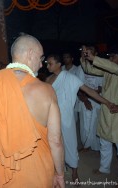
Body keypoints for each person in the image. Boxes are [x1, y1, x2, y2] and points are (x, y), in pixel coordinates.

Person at [0, 34, 65, 187]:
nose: (41, 65)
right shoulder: (46, 91)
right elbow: (55, 141)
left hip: (6, 174)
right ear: (30, 54)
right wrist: (59, 173)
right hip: (39, 172)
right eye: (40, 59)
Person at [45, 54, 112, 182]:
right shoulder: (48, 80)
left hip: (67, 119)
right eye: (47, 63)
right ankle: (60, 168)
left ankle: (75, 172)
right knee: (55, 144)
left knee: (71, 144)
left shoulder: (70, 78)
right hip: (52, 118)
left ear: (59, 64)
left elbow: (89, 91)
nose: (47, 66)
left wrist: (106, 102)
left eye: (50, 63)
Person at [81, 45, 118, 184]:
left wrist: (94, 57)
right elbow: (90, 69)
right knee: (104, 143)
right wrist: (84, 57)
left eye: (114, 56)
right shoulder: (109, 70)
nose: (111, 59)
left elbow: (116, 69)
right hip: (107, 111)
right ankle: (104, 168)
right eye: (110, 56)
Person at [77, 46, 103, 152]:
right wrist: (85, 99)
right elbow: (78, 86)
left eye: (91, 52)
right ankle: (86, 145)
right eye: (86, 52)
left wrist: (91, 97)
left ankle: (93, 146)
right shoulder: (80, 68)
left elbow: (101, 87)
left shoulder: (101, 68)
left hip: (96, 99)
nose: (88, 54)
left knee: (94, 123)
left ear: (95, 54)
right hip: (84, 99)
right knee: (84, 123)